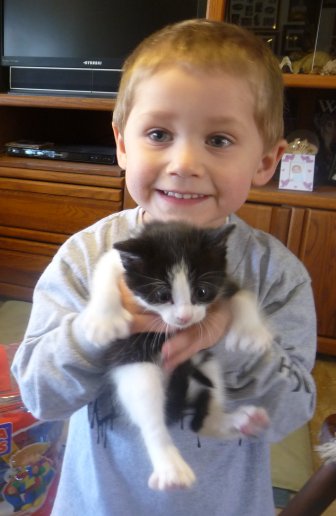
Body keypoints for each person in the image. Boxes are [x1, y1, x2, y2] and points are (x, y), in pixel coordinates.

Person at [12, 19, 316, 515]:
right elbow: (40, 396)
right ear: (122, 144)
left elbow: (291, 414)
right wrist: (95, 330)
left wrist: (232, 336)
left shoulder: (275, 273)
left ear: (265, 161)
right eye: (158, 133)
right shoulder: (88, 256)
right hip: (100, 504)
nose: (184, 161)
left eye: (218, 140)